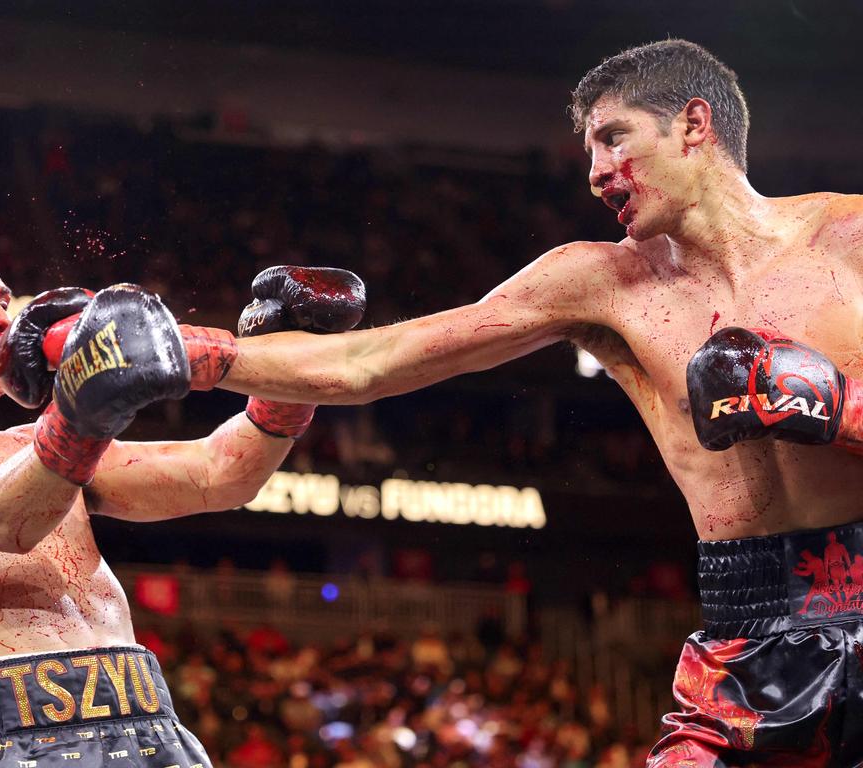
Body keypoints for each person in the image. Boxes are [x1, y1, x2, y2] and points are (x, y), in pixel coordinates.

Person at [194, 40, 863, 765]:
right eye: (587, 152)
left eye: (613, 138)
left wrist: (834, 402)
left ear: (694, 125)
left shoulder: (849, 238)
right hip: (743, 641)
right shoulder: (599, 281)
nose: (597, 172)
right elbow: (373, 361)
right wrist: (186, 355)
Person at [0, 241, 362, 765]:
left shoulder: (37, 447)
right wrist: (84, 408)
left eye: (2, 301)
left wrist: (292, 369)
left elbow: (221, 475)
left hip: (154, 729)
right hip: (16, 739)